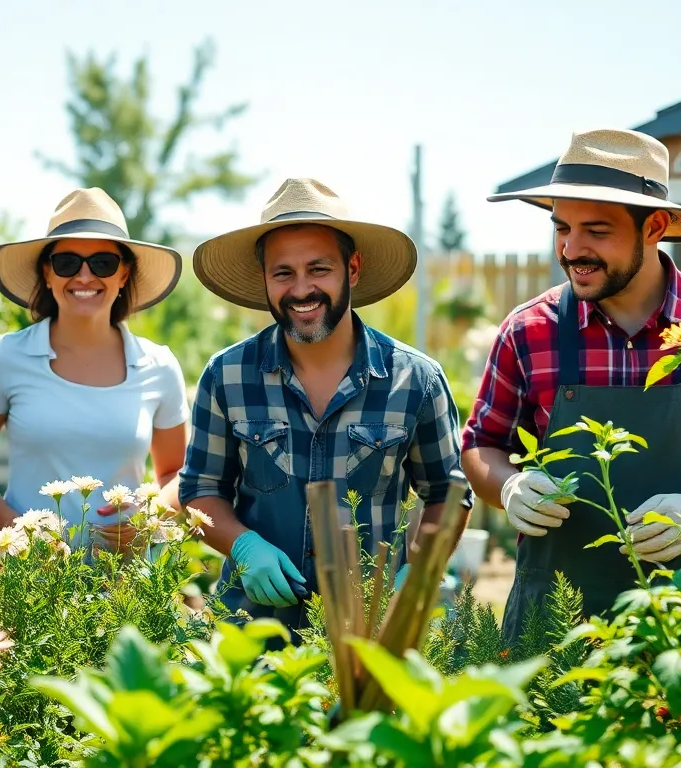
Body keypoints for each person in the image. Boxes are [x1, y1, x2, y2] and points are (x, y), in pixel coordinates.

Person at [460, 129, 681, 644]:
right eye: (562, 228)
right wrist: (506, 486)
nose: (572, 249)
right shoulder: (527, 331)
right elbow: (481, 445)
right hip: (555, 630)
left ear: (655, 225)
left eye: (596, 231)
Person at [180, 178, 471, 631]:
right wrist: (243, 546)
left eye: (318, 269)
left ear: (351, 269)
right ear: (265, 280)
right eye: (283, 273)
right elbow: (200, 490)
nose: (301, 290)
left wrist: (418, 572)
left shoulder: (414, 379)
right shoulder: (227, 375)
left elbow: (448, 495)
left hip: (369, 635)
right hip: (252, 630)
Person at [0, 188, 188, 552]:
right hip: (27, 582)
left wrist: (148, 517)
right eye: (66, 263)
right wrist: (19, 532)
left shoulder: (158, 365)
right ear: (47, 273)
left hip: (125, 586)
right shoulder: (7, 356)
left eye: (102, 263)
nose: (83, 275)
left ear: (124, 274)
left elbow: (175, 473)